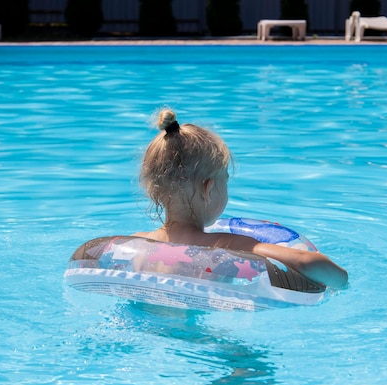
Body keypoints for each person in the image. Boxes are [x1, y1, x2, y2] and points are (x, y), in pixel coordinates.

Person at [134, 108, 348, 289]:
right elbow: (306, 263)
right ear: (208, 189)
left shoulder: (137, 243)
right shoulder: (227, 245)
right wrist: (342, 281)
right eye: (224, 180)